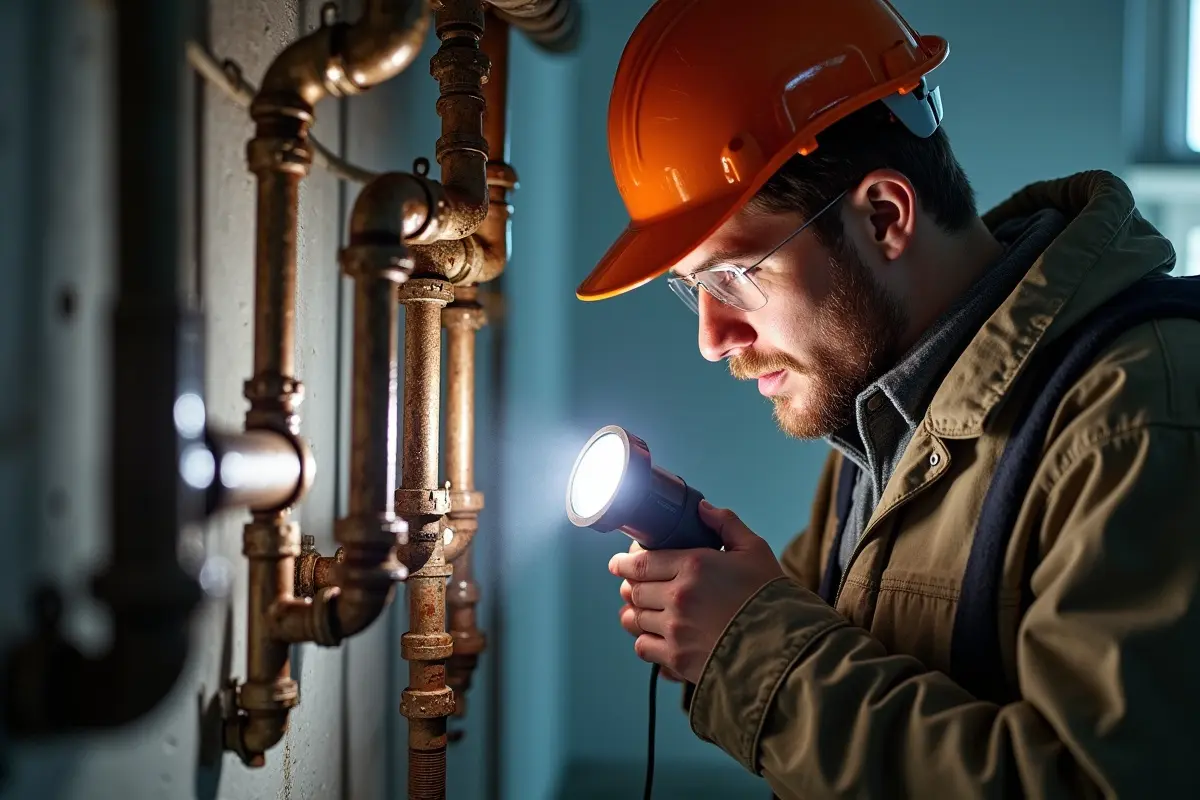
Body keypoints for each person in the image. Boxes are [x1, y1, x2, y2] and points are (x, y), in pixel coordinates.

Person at [579, 1, 1200, 797]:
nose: (712, 336)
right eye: (689, 289)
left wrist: (754, 651)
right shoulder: (882, 415)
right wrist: (738, 606)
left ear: (883, 216)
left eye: (735, 276)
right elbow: (842, 644)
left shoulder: (1136, 416)